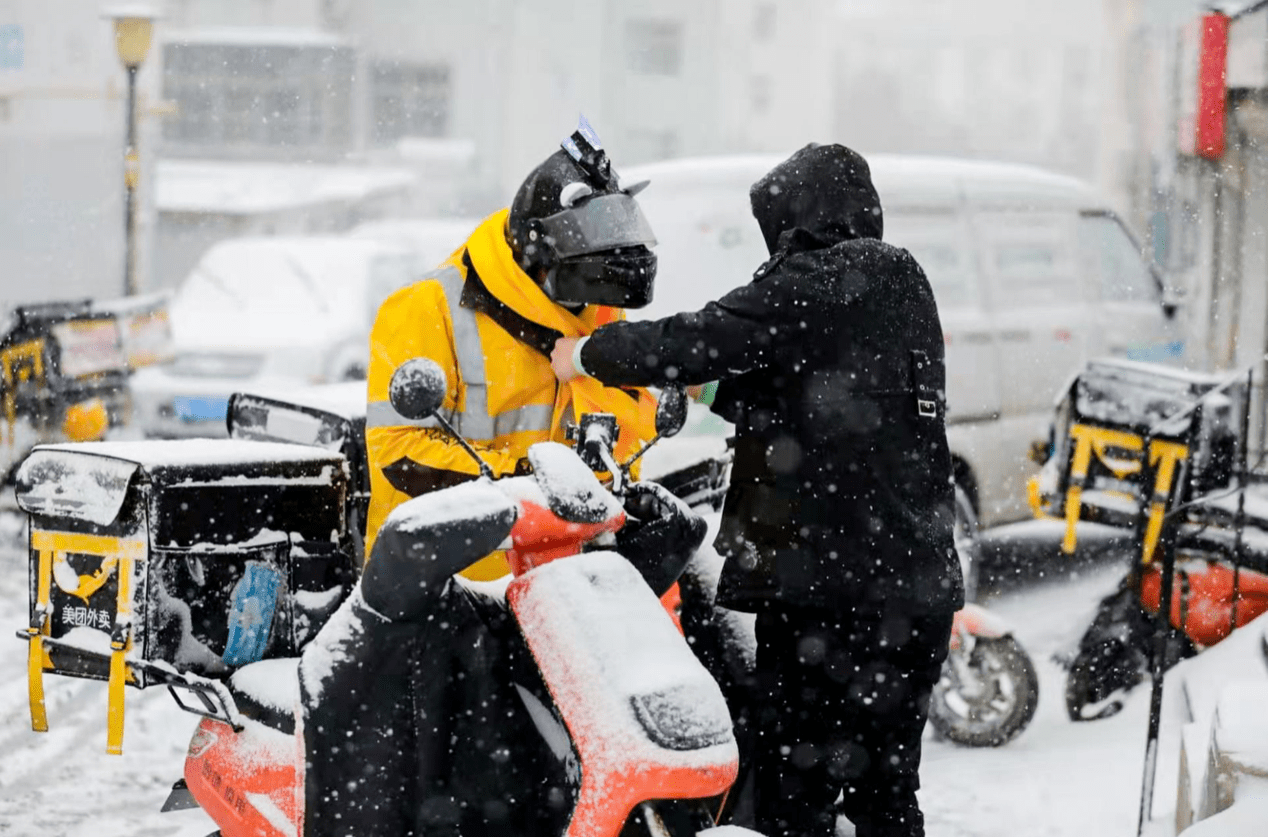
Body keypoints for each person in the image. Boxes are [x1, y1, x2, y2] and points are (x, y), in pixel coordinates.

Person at [550, 143, 965, 837]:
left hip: (830, 601)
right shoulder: (900, 281)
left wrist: (587, 355)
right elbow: (820, 398)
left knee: (794, 793)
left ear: (802, 216)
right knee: (886, 792)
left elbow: (702, 336)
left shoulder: (818, 279)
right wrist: (707, 387)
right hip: (915, 596)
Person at [362, 116, 661, 573]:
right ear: (540, 258)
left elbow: (618, 441)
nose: (590, 301)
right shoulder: (426, 309)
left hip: (567, 580)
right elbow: (399, 453)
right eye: (579, 279)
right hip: (446, 584)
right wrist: (532, 479)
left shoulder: (598, 312)